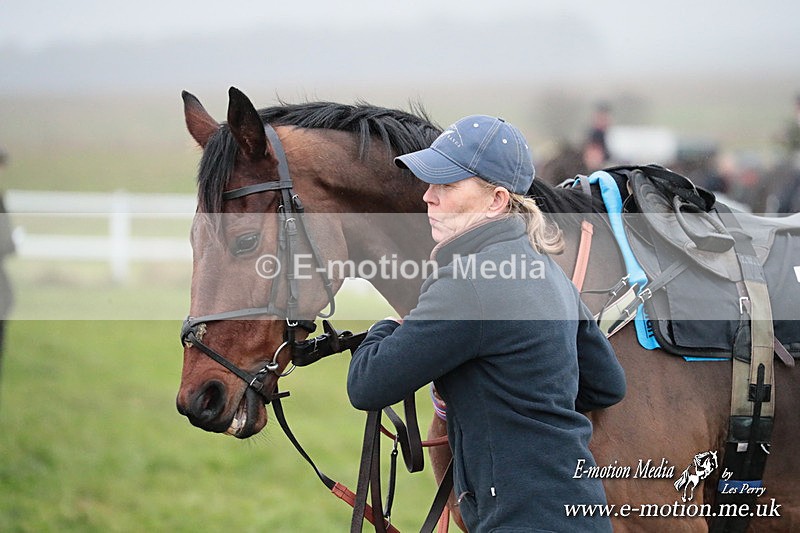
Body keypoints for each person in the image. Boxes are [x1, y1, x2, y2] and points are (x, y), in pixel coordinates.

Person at [347, 116, 626, 531]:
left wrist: (390, 323)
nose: (428, 197)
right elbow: (606, 384)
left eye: (446, 185)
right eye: (430, 184)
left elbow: (367, 384)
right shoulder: (544, 270)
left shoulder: (468, 282)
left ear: (496, 200)